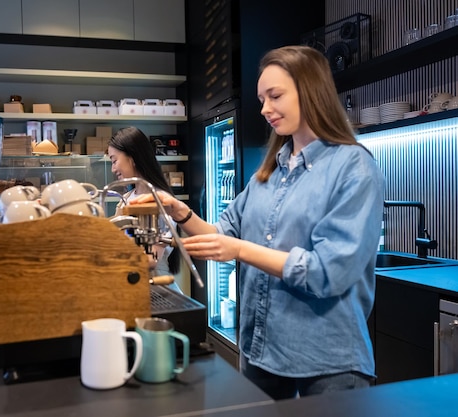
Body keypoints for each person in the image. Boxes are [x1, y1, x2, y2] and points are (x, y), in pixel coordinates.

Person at [130, 45, 385, 399]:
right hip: (261, 348)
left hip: (327, 358)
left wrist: (239, 249)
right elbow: (222, 233)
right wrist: (177, 211)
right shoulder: (268, 173)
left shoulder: (353, 167)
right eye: (262, 99)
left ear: (311, 91)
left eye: (275, 96)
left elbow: (329, 272)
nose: (265, 109)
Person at [106, 126, 182, 291]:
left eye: (114, 160)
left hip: (156, 289)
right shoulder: (125, 199)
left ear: (132, 158)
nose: (113, 169)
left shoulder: (161, 201)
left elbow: (150, 259)